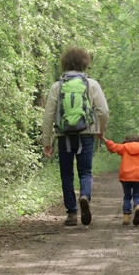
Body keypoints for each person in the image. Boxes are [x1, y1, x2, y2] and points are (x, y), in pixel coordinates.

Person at [42, 47, 109, 226]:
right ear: (84, 63)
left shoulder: (57, 86)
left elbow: (48, 115)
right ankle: (85, 196)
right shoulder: (91, 84)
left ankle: (72, 213)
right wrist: (100, 130)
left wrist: (47, 141)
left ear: (65, 63)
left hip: (63, 135)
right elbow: (103, 111)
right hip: (86, 133)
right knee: (85, 171)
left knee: (66, 174)